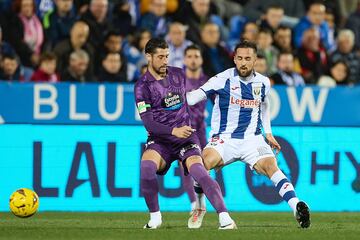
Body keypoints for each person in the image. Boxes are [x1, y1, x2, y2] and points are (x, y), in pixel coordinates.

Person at [186, 40, 311, 229]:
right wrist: (174, 97)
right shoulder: (222, 79)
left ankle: (296, 207)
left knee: (272, 166)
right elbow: (194, 97)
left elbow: (264, 105)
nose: (243, 62)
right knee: (202, 164)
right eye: (240, 58)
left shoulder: (263, 82)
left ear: (255, 60)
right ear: (234, 59)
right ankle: (199, 205)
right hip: (224, 138)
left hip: (252, 139)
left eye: (248, 58)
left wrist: (268, 133)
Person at [134, 38, 236, 229]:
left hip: (187, 137)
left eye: (167, 56)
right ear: (148, 56)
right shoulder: (141, 86)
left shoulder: (179, 74)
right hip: (160, 140)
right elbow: (148, 122)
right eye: (160, 57)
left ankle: (225, 218)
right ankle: (155, 218)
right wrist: (173, 130)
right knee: (146, 167)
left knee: (199, 171)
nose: (165, 61)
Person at [182, 44, 208, 222]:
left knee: (204, 167)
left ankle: (200, 200)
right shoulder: (176, 80)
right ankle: (194, 204)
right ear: (184, 59)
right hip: (183, 129)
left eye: (196, 56)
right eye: (189, 56)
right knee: (186, 167)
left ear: (201, 59)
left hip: (202, 129)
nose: (193, 59)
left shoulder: (208, 81)